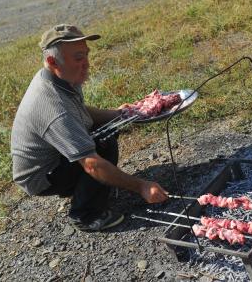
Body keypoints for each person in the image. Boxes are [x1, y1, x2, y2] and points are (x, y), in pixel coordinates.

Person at [11, 24, 168, 232]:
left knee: (108, 128)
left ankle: (86, 188)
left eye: (86, 55)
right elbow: (92, 164)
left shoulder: (61, 77)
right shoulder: (53, 106)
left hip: (56, 156)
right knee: (104, 144)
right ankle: (85, 215)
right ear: (52, 61)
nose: (86, 64)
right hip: (41, 176)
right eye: (78, 58)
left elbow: (79, 110)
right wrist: (142, 186)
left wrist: (120, 115)